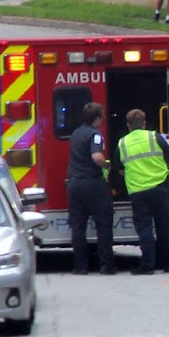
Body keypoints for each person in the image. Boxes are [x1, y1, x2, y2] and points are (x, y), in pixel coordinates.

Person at [113, 109, 169, 275]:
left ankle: (148, 266)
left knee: (145, 229)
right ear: (144, 123)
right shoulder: (155, 136)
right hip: (160, 187)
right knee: (164, 227)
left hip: (138, 191)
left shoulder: (122, 143)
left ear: (128, 126)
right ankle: (168, 265)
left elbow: (119, 169)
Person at [67, 102, 117, 275]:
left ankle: (80, 266)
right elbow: (96, 156)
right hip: (92, 184)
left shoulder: (75, 133)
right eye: (102, 116)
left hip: (74, 184)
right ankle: (106, 265)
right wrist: (107, 166)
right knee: (103, 225)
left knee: (78, 227)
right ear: (97, 118)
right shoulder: (95, 135)